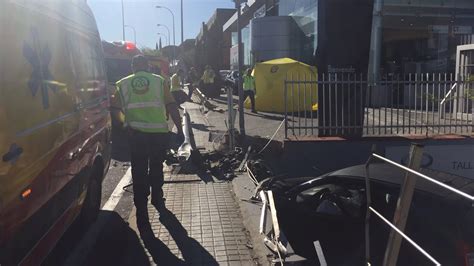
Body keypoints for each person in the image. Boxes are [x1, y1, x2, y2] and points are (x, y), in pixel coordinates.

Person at [115, 55, 183, 231]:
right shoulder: (159, 81)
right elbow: (171, 106)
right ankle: (157, 198)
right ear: (147, 66)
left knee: (138, 171)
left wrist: (125, 125)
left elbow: (114, 109)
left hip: (136, 135)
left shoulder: (122, 83)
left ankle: (142, 213)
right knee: (155, 167)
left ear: (132, 67)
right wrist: (180, 129)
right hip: (158, 134)